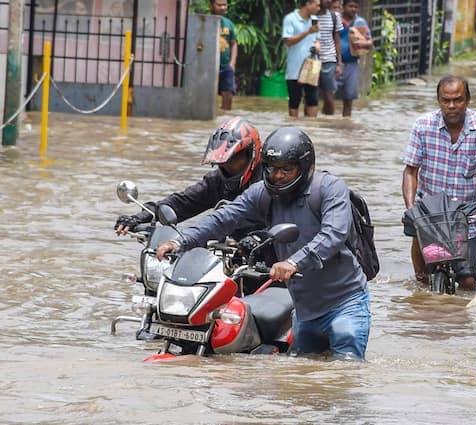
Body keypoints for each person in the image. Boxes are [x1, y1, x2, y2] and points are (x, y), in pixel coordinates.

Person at [156, 127, 371, 361]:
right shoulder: (263, 193)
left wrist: (293, 262)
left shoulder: (330, 188)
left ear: (305, 166)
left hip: (344, 303)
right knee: (302, 379)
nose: (277, 176)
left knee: (346, 372)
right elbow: (224, 218)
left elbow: (333, 234)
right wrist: (181, 240)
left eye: (286, 169)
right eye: (271, 168)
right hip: (305, 309)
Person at [402, 75, 476, 291]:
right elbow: (411, 171)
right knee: (422, 284)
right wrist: (411, 209)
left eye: (458, 100)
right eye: (446, 101)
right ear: (438, 101)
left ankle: (462, 324)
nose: (452, 106)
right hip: (429, 216)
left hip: (465, 219)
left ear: (467, 100)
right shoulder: (423, 126)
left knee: (467, 282)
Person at [114, 117, 263, 240]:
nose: (228, 167)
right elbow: (182, 202)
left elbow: (283, 221)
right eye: (223, 163)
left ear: (251, 154)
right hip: (231, 255)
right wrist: (140, 217)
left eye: (233, 160)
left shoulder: (270, 184)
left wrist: (259, 238)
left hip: (269, 259)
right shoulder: (217, 182)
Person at [282, 0, 322, 118]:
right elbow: (288, 42)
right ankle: (293, 127)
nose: (319, 8)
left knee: (313, 100)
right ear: (308, 4)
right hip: (294, 69)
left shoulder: (314, 19)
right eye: (317, 5)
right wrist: (307, 32)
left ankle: (311, 129)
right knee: (294, 101)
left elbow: (317, 38)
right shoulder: (290, 19)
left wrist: (318, 45)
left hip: (311, 67)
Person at [337, 0, 372, 117]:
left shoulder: (360, 22)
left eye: (355, 7)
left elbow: (369, 42)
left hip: (352, 63)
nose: (353, 9)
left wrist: (362, 45)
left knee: (349, 98)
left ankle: (346, 122)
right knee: (328, 97)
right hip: (334, 63)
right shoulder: (335, 20)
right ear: (343, 6)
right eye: (350, 6)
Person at [317, 0, 344, 115]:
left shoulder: (334, 16)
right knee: (311, 96)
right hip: (311, 60)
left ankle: (328, 124)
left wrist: (339, 63)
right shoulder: (310, 15)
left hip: (329, 59)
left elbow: (337, 41)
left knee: (329, 95)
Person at [210, 0, 237, 111]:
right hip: (209, 65)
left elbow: (234, 44)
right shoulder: (206, 21)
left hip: (225, 65)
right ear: (211, 5)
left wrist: (232, 63)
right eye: (219, 5)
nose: (222, 7)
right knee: (207, 93)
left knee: (228, 94)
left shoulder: (229, 23)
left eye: (224, 5)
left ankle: (225, 118)